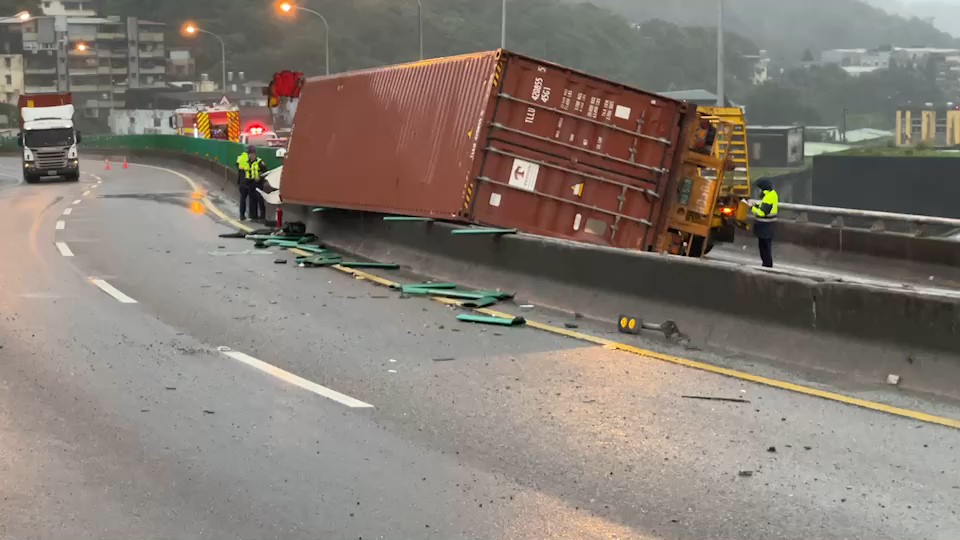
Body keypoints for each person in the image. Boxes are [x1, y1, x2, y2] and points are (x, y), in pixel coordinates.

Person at [751, 177, 779, 268]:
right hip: (767, 225)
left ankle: (767, 265)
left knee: (765, 247)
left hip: (766, 225)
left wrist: (751, 208)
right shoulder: (771, 194)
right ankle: (766, 264)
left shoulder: (769, 196)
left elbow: (762, 212)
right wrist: (756, 205)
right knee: (765, 246)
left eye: (759, 188)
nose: (758, 191)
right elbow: (764, 206)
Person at [237, 147, 262, 221]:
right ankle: (252, 215)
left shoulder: (240, 158)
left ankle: (242, 215)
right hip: (249, 182)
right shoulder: (253, 160)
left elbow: (238, 169)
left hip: (243, 181)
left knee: (243, 199)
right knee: (252, 199)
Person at [250, 153, 268, 222]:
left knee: (260, 200)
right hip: (251, 183)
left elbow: (265, 171)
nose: (250, 156)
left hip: (259, 184)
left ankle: (262, 216)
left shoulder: (260, 162)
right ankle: (254, 215)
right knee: (253, 199)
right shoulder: (248, 162)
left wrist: (260, 177)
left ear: (254, 154)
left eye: (251, 154)